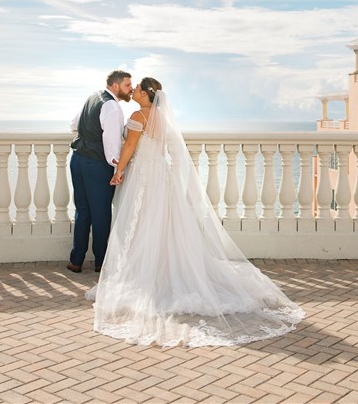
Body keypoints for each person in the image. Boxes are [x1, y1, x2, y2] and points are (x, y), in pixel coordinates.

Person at [86, 78, 305, 347]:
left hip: (143, 176)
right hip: (160, 175)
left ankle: (146, 279)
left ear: (145, 94)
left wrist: (118, 172)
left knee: (141, 222)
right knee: (164, 224)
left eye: (138, 89)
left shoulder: (138, 114)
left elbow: (129, 148)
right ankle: (162, 272)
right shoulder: (162, 118)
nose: (134, 92)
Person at [67, 70, 132, 273]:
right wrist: (117, 169)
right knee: (101, 213)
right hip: (96, 165)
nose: (131, 89)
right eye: (127, 85)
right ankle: (101, 263)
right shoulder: (112, 107)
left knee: (82, 210)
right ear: (115, 86)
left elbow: (74, 124)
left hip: (77, 160)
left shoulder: (93, 97)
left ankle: (76, 260)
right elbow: (111, 144)